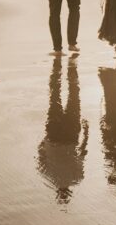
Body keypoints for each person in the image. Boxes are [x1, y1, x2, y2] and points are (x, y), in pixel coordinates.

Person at [36, 56, 88, 203]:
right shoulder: (47, 176)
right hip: (54, 136)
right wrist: (45, 140)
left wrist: (86, 131)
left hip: (70, 136)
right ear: (58, 191)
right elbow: (41, 153)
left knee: (73, 96)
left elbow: (83, 152)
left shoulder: (76, 178)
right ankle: (58, 69)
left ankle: (71, 67)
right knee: (54, 98)